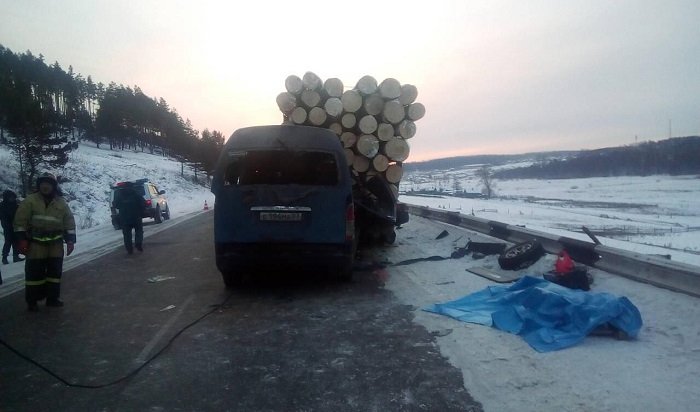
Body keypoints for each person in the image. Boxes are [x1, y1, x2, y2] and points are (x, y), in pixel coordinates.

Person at [14, 173, 76, 311]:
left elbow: (69, 222)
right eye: (43, 183)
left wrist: (70, 241)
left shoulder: (61, 203)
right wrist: (22, 240)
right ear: (39, 185)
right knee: (34, 274)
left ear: (54, 186)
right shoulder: (30, 201)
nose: (45, 186)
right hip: (36, 245)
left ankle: (52, 299)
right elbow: (20, 222)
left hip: (55, 245)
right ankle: (32, 302)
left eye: (48, 183)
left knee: (54, 274)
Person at [114, 181, 144, 254]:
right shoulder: (135, 193)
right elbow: (142, 203)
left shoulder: (119, 195)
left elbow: (116, 205)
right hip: (136, 217)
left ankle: (129, 249)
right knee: (139, 231)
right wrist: (141, 211)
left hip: (124, 218)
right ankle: (138, 243)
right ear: (131, 186)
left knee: (127, 235)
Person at [1, 189, 24, 264]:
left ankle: (15, 256)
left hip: (15, 226)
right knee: (8, 242)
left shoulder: (16, 205)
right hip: (7, 227)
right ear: (6, 197)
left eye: (13, 197)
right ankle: (4, 257)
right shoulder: (2, 206)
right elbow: (2, 216)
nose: (12, 198)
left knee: (16, 242)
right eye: (10, 197)